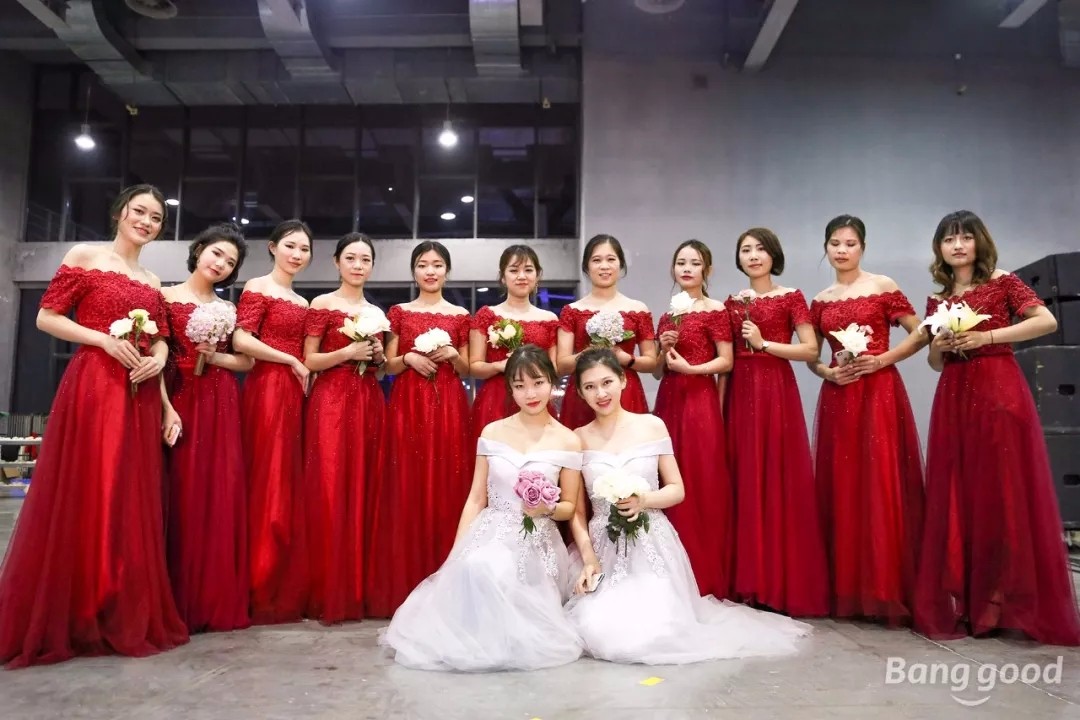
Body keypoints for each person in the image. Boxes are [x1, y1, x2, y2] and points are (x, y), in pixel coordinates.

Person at [0, 184, 188, 667]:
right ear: (120, 213)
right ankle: (78, 608)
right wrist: (102, 340)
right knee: (91, 485)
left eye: (156, 218)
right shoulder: (86, 255)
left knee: (129, 492)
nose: (146, 222)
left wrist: (158, 364)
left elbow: (162, 339)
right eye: (139, 212)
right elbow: (47, 318)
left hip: (140, 391)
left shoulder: (151, 278)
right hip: (95, 384)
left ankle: (116, 602)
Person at [566, 348, 810, 664]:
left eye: (607, 382)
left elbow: (677, 490)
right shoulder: (577, 439)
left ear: (623, 381)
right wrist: (588, 558)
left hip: (651, 542)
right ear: (580, 393)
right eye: (590, 387)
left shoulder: (652, 426)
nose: (601, 393)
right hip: (603, 547)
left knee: (658, 630)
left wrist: (644, 500)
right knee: (599, 630)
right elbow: (577, 511)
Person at [913, 210, 1080, 645]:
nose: (958, 246)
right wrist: (939, 345)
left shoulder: (1002, 281)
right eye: (949, 239)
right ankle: (973, 602)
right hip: (954, 396)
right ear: (939, 249)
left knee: (1003, 493)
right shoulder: (938, 299)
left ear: (979, 242)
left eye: (966, 238)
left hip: (998, 390)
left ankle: (1008, 601)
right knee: (961, 493)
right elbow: (935, 363)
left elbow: (1046, 321)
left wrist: (986, 337)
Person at [383, 345, 583, 671]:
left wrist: (544, 509)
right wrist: (456, 552)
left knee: (497, 573)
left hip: (537, 536)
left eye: (538, 383)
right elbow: (477, 498)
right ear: (510, 389)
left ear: (551, 381)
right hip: (491, 530)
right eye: (519, 386)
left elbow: (569, 507)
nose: (530, 393)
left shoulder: (568, 440)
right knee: (476, 565)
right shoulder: (492, 432)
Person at [807, 214, 926, 625]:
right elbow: (812, 356)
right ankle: (848, 589)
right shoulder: (820, 299)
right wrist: (827, 372)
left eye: (850, 243)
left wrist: (882, 360)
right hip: (839, 395)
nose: (842, 250)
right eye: (835, 243)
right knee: (844, 486)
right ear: (826, 248)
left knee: (880, 483)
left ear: (863, 247)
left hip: (878, 393)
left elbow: (921, 332)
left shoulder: (882, 285)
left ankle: (886, 588)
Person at [724, 228, 828, 617]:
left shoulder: (791, 297)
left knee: (777, 477)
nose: (753, 255)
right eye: (745, 249)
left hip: (775, 389)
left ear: (773, 256)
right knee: (745, 477)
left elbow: (810, 349)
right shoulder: (731, 302)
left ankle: (779, 582)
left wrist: (764, 343)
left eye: (760, 249)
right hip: (740, 391)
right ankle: (748, 580)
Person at [365, 241, 473, 617]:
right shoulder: (400, 312)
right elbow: (387, 366)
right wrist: (409, 357)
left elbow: (470, 369)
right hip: (408, 405)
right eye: (423, 265)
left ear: (447, 271)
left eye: (437, 265)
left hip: (449, 405)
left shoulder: (460, 315)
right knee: (407, 483)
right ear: (414, 271)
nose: (430, 271)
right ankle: (406, 581)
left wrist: (454, 355)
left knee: (448, 481)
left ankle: (448, 582)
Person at [161, 222, 252, 633]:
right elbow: (156, 352)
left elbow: (245, 362)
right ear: (199, 250)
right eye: (217, 253)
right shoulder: (164, 297)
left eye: (230, 262)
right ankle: (172, 595)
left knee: (215, 491)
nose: (221, 264)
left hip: (220, 399)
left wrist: (214, 356)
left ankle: (209, 596)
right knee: (177, 488)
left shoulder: (228, 310)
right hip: (177, 394)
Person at [302, 233, 387, 624]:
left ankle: (359, 587)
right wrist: (347, 352)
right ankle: (327, 588)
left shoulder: (376, 312)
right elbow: (310, 360)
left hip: (368, 400)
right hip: (331, 400)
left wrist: (378, 357)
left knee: (364, 486)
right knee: (330, 486)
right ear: (337, 262)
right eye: (351, 258)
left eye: (365, 259)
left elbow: (380, 370)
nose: (358, 265)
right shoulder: (322, 304)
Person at [232, 219, 314, 624]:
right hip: (266, 388)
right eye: (290, 246)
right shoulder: (257, 287)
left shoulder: (303, 303)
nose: (297, 254)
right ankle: (256, 580)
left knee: (287, 480)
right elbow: (241, 340)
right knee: (266, 476)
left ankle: (282, 577)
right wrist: (289, 360)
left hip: (296, 395)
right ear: (272, 247)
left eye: (304, 249)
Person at [652, 239, 734, 599]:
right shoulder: (667, 315)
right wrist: (663, 348)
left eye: (695, 263)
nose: (687, 269)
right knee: (666, 477)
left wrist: (693, 369)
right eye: (681, 262)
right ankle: (669, 571)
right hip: (669, 399)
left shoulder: (716, 310)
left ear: (707, 270)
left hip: (700, 400)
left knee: (700, 479)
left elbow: (726, 361)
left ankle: (703, 573)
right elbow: (657, 371)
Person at [556, 234, 657, 429]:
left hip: (625, 391)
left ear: (621, 264)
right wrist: (589, 353)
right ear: (586, 267)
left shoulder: (638, 309)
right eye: (596, 260)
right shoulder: (572, 311)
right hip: (585, 393)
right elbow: (562, 365)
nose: (604, 266)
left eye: (611, 259)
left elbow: (651, 363)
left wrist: (626, 359)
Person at [469, 244, 559, 445]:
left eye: (528, 270)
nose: (521, 276)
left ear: (537, 275)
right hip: (496, 399)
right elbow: (473, 367)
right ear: (503, 277)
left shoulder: (549, 319)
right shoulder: (487, 315)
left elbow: (554, 369)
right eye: (514, 270)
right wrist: (500, 365)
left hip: (536, 400)